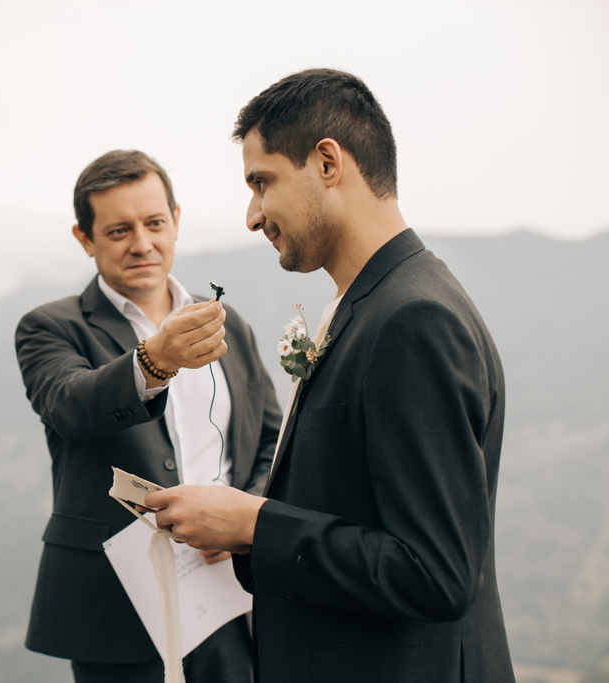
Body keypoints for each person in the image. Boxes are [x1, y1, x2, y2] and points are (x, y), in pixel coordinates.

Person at [145, 69, 515, 682]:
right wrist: (246, 520)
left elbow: (436, 573)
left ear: (326, 163)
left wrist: (252, 523)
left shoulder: (413, 319)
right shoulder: (374, 303)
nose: (251, 215)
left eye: (261, 182)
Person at [15, 150, 283, 683]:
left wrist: (241, 518)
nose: (142, 243)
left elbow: (271, 438)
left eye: (154, 223)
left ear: (176, 221)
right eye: (118, 231)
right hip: (114, 609)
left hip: (228, 594)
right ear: (84, 239)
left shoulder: (230, 326)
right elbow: (71, 404)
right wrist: (153, 359)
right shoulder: (50, 327)